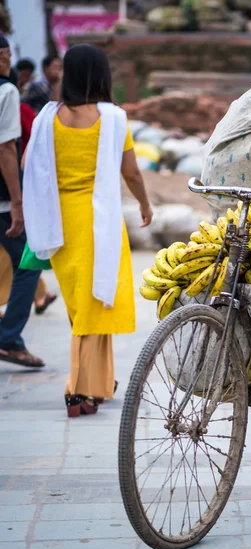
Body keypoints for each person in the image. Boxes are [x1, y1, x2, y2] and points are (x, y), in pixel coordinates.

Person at [22, 44, 153, 417]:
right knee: (96, 306)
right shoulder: (112, 118)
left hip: (58, 224)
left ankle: (98, 382)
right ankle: (78, 389)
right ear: (102, 75)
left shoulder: (48, 117)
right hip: (98, 225)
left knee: (84, 308)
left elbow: (30, 163)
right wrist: (144, 204)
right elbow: (131, 172)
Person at [0, 34, 44, 368]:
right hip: (2, 201)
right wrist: (17, 202)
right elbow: (6, 148)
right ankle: (9, 338)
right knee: (29, 264)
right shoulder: (7, 90)